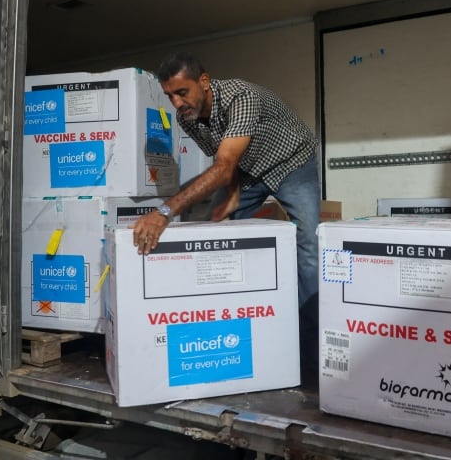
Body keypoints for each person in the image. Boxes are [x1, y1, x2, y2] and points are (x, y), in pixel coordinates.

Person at [131, 52, 320, 384]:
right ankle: (237, 329)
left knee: (308, 249)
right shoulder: (187, 118)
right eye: (170, 96)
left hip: (291, 163)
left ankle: (310, 352)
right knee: (215, 236)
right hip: (247, 171)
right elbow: (226, 160)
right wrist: (233, 193)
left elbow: (223, 165)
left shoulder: (240, 97)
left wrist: (164, 212)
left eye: (182, 92)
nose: (177, 103)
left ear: (204, 82)